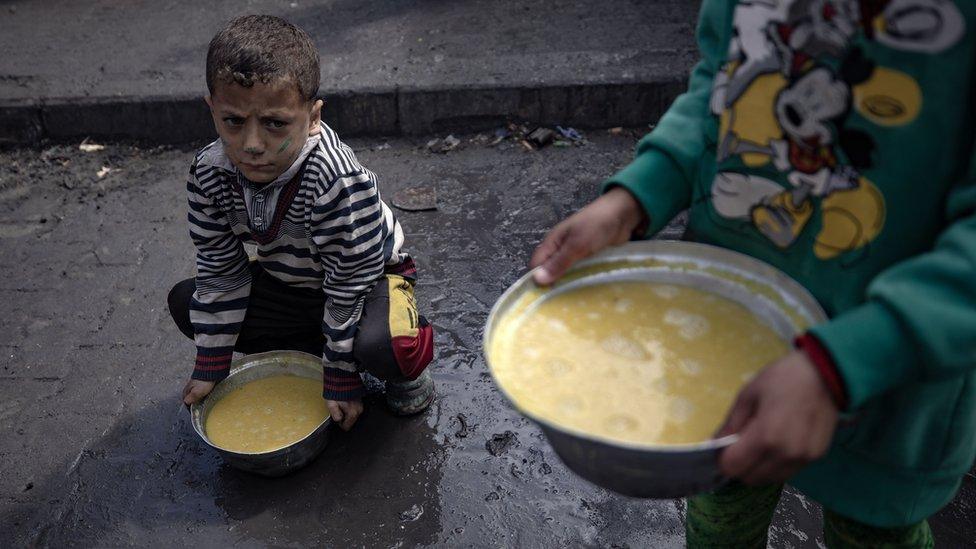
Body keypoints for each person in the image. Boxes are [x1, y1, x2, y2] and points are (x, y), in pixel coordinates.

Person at [530, 1, 976, 546]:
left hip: (896, 399)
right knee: (720, 525)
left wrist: (847, 363)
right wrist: (635, 196)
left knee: (872, 534)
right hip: (718, 358)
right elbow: (716, 93)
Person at [167, 15, 434, 430]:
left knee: (385, 346)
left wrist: (341, 375)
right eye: (233, 121)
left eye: (275, 123)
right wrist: (211, 365)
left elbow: (350, 283)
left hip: (367, 282)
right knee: (187, 302)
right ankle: (320, 348)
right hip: (294, 284)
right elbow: (222, 271)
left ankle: (399, 369)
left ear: (312, 117)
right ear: (212, 109)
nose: (252, 144)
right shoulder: (208, 173)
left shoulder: (335, 179)